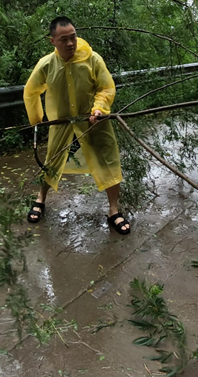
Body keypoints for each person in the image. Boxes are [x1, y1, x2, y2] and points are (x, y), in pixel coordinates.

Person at [23, 17, 130, 235]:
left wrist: (99, 108)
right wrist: (37, 120)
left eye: (73, 37)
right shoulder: (46, 65)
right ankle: (41, 198)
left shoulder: (92, 59)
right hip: (62, 123)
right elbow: (31, 91)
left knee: (108, 161)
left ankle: (113, 210)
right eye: (64, 39)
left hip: (93, 122)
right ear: (52, 41)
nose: (71, 43)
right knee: (52, 161)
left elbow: (106, 87)